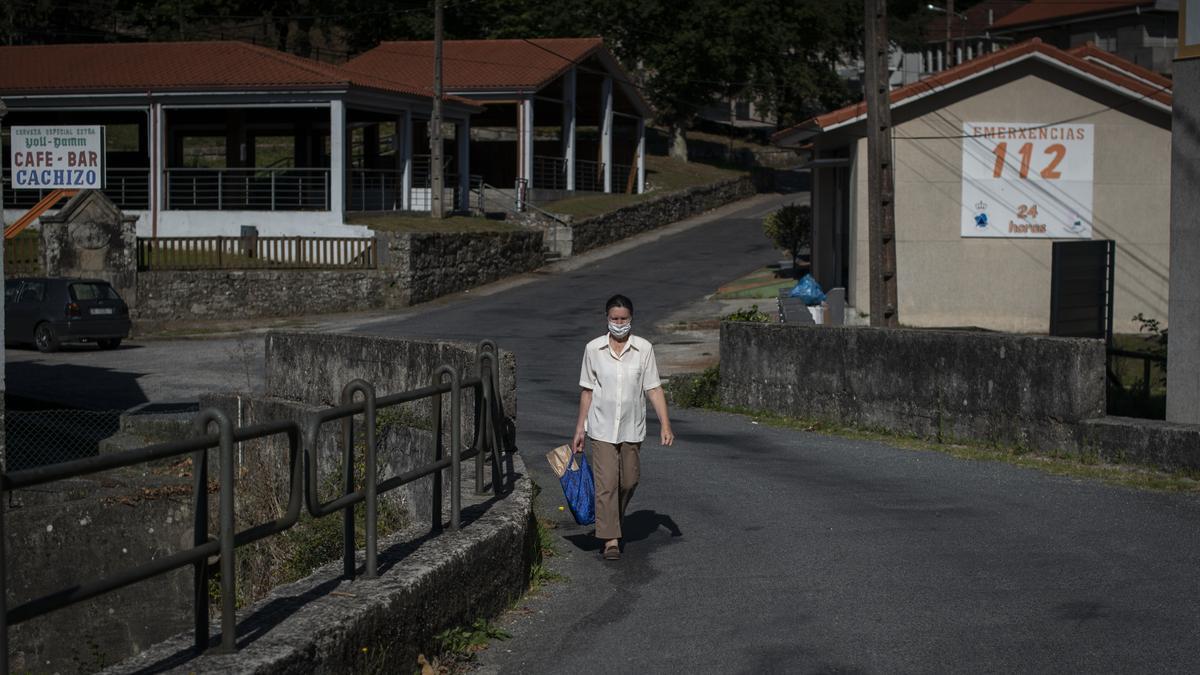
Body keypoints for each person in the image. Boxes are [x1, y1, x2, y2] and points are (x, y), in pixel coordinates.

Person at [573, 294, 675, 561]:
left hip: (632, 427)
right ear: (607, 319)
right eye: (614, 319)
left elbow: (653, 388)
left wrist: (665, 424)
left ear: (631, 319)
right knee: (607, 483)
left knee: (629, 480)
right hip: (602, 427)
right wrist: (580, 429)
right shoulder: (593, 349)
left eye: (624, 319)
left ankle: (610, 519)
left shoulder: (644, 349)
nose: (619, 323)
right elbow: (587, 391)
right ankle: (610, 539)